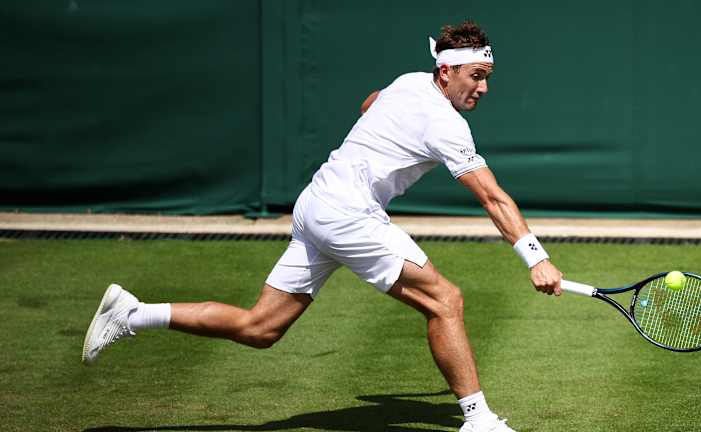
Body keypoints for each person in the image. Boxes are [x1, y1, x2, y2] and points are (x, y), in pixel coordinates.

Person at [82, 21, 563, 432]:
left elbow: (368, 104)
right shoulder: (447, 126)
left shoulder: (409, 82)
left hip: (316, 204)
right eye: (477, 76)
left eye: (487, 77)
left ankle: (132, 313)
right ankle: (477, 419)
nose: (483, 88)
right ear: (448, 70)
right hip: (349, 214)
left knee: (261, 327)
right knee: (446, 300)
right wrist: (536, 258)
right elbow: (493, 197)